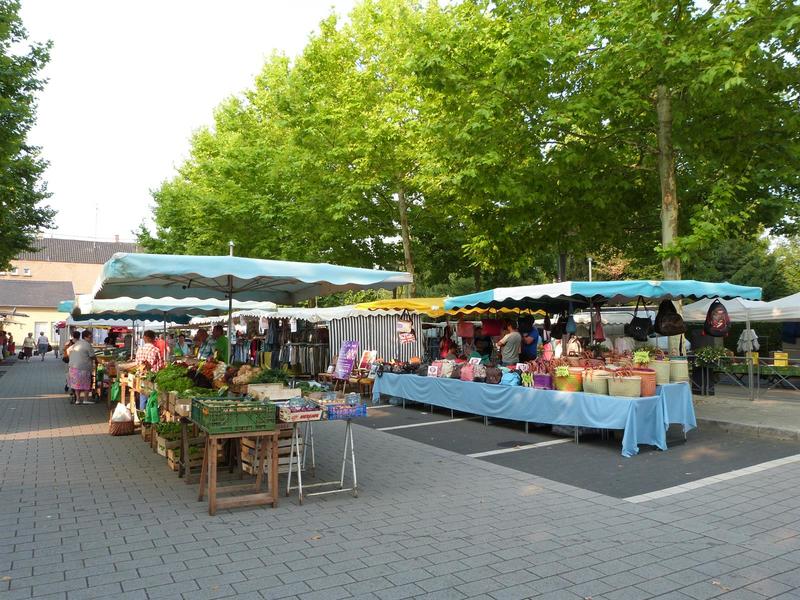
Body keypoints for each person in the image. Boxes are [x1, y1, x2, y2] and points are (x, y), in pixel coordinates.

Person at [68, 331, 96, 405]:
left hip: (73, 367)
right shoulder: (87, 345)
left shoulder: (77, 343)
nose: (91, 338)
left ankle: (77, 400)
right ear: (85, 337)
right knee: (86, 384)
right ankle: (85, 399)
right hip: (83, 367)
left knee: (77, 384)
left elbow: (69, 351)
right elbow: (92, 356)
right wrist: (97, 360)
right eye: (90, 337)